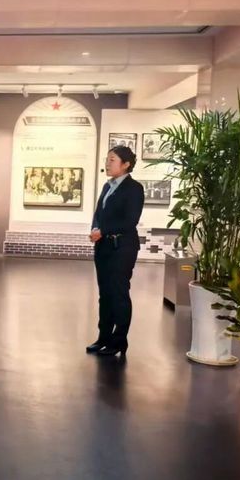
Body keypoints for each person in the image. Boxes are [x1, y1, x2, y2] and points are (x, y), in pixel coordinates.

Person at [87, 145, 145, 357]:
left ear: (126, 164)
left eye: (112, 160)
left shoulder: (134, 188)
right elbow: (98, 213)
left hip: (123, 248)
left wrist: (103, 231)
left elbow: (130, 221)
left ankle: (119, 341)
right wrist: (95, 228)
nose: (107, 163)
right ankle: (103, 337)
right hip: (103, 246)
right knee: (105, 294)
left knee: (119, 293)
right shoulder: (107, 186)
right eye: (107, 159)